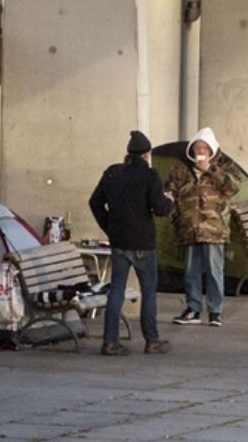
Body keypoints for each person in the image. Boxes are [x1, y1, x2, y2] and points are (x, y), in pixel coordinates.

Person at [87, 130, 173, 355]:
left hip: (119, 241)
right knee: (148, 291)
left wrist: (109, 226)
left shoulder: (113, 173)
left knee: (116, 290)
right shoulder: (150, 176)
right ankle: (152, 340)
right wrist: (170, 201)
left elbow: (95, 202)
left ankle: (110, 342)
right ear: (146, 154)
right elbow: (161, 209)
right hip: (144, 242)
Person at [169, 127, 241, 328]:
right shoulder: (181, 168)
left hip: (214, 229)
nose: (200, 151)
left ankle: (215, 310)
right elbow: (170, 193)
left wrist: (210, 169)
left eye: (204, 148)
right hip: (188, 227)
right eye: (197, 147)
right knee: (191, 271)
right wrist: (176, 216)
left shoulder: (225, 166)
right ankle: (193, 308)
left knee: (214, 271)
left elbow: (233, 187)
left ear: (212, 150)